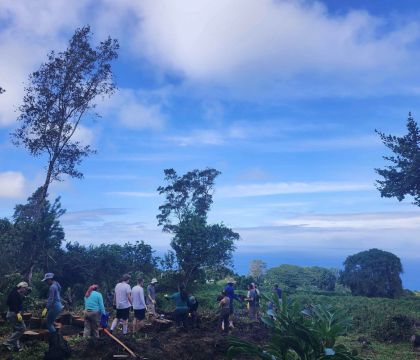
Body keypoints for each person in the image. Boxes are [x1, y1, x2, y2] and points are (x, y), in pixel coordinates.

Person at [2, 282, 29, 352]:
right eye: (25, 288)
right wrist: (17, 313)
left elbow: (17, 302)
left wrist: (24, 296)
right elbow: (14, 304)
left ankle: (16, 347)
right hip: (14, 314)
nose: (25, 290)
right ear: (22, 288)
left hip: (12, 313)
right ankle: (6, 344)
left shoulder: (15, 292)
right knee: (22, 329)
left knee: (15, 330)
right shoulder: (16, 293)